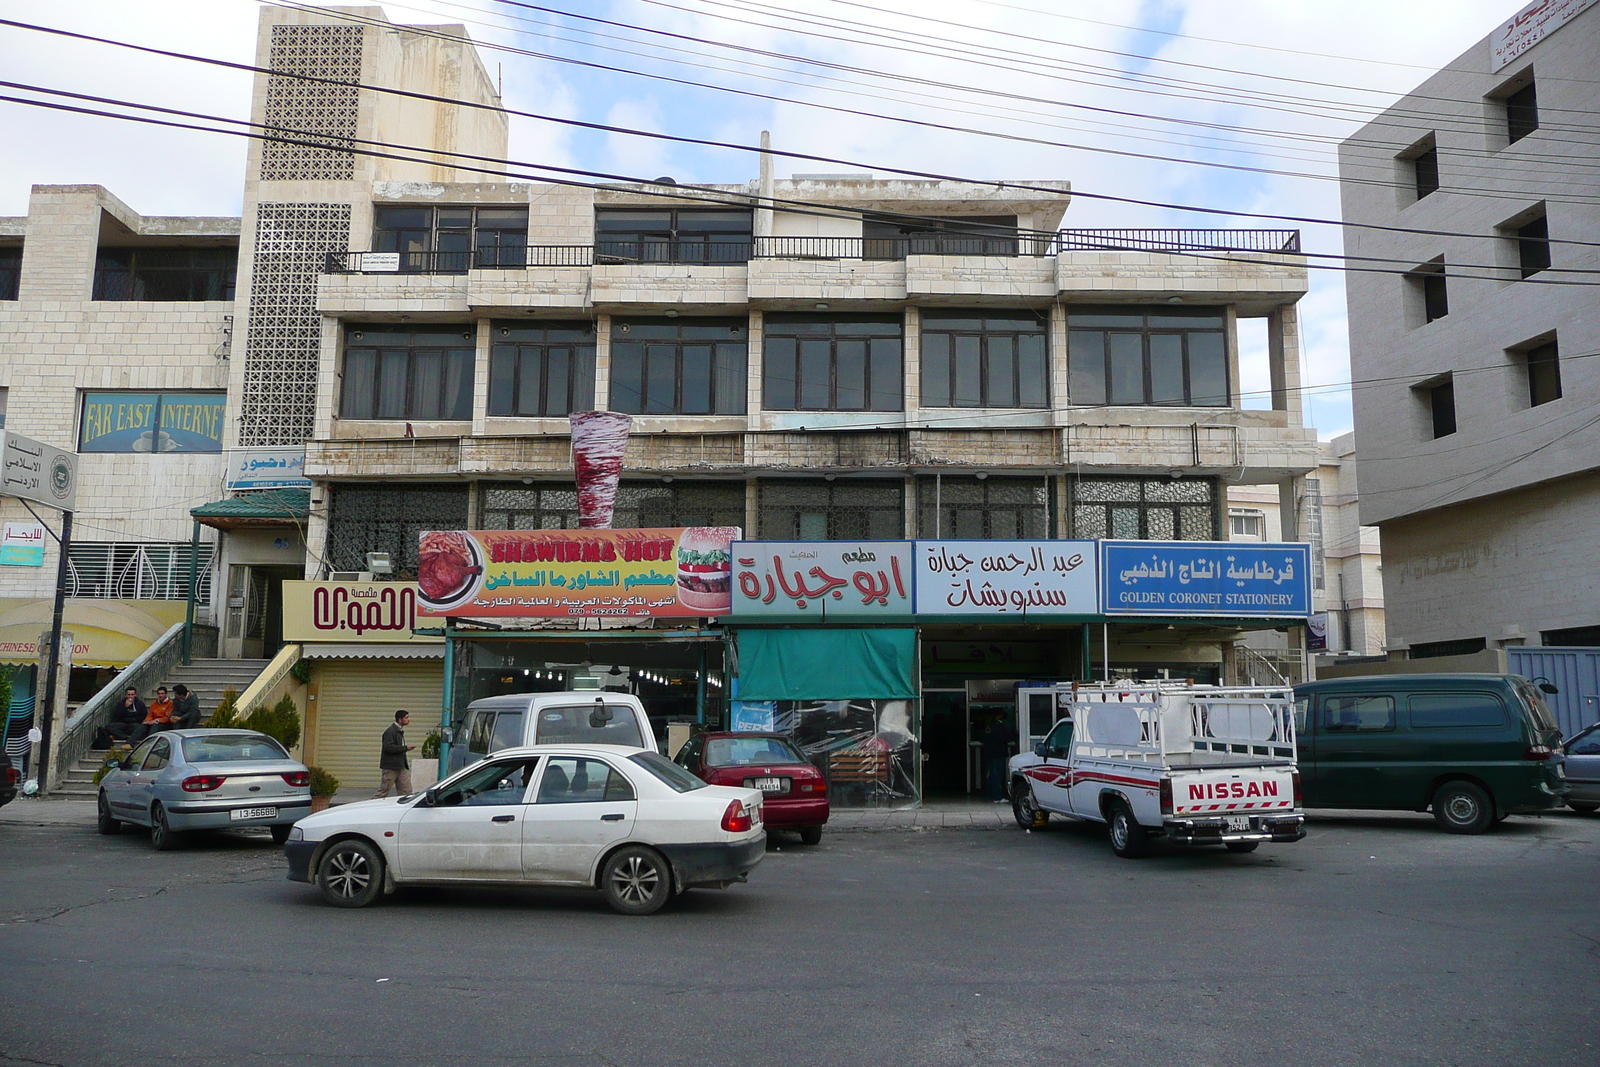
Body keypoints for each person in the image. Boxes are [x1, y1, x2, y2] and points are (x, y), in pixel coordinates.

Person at [374, 709, 416, 798]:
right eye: (406, 717)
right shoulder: (390, 732)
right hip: (391, 766)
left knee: (406, 790)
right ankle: (370, 806)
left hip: (400, 766)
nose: (409, 719)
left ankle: (404, 807)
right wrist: (405, 748)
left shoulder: (398, 731)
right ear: (400, 720)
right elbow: (388, 747)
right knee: (384, 790)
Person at [980, 712, 1012, 802]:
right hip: (998, 753)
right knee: (997, 775)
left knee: (991, 775)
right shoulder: (999, 725)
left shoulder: (987, 726)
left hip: (989, 753)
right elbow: (1004, 738)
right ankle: (997, 797)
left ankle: (991, 795)